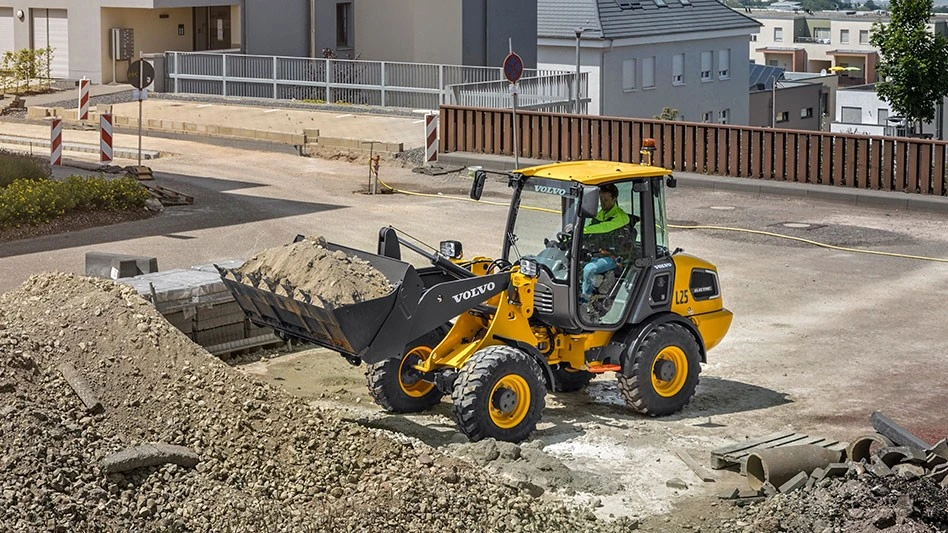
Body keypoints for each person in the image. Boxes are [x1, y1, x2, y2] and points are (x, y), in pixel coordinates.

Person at [580, 183, 634, 304]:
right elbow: (591, 229)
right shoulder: (601, 214)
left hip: (614, 257)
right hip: (597, 253)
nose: (602, 203)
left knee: (589, 269)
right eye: (600, 199)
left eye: (606, 200)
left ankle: (585, 300)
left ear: (614, 199)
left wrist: (580, 230)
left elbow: (604, 228)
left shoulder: (621, 217)